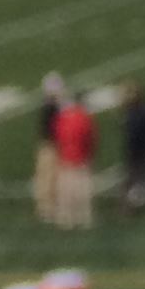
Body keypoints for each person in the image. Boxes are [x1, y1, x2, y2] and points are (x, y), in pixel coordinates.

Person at [51, 91, 96, 231]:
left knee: (65, 189)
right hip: (81, 157)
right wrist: (90, 154)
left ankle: (66, 218)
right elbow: (90, 138)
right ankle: (83, 217)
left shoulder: (63, 117)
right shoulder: (85, 118)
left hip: (65, 156)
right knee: (83, 189)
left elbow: (57, 135)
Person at [119, 82, 145, 214]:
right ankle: (135, 202)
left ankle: (132, 206)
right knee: (139, 177)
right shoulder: (144, 111)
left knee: (134, 178)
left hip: (138, 151)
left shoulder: (137, 114)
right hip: (143, 149)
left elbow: (134, 133)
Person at [32, 73, 66, 224]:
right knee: (47, 176)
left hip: (48, 144)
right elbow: (53, 129)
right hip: (50, 145)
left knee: (49, 176)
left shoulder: (50, 105)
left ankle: (48, 205)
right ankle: (46, 208)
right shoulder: (51, 107)